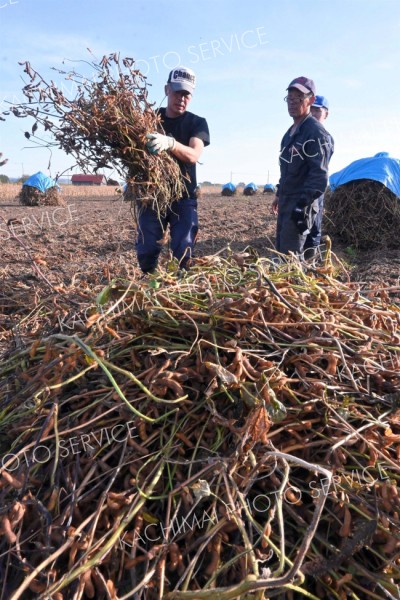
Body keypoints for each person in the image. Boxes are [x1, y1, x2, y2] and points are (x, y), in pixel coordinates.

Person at [136, 66, 210, 273]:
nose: (182, 98)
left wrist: (170, 143)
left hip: (183, 197)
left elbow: (194, 155)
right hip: (153, 197)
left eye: (187, 94)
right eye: (178, 92)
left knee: (183, 250)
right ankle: (149, 283)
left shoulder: (197, 123)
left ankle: (180, 287)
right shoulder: (149, 119)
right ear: (167, 89)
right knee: (147, 248)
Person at [271, 78, 334, 258]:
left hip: (300, 203)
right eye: (289, 98)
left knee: (292, 256)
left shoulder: (316, 133)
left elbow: (319, 176)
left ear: (311, 100)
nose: (292, 103)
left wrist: (302, 205)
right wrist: (279, 193)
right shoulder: (289, 134)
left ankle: (295, 283)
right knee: (282, 250)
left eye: (298, 98)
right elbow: (286, 169)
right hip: (286, 200)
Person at [304, 95, 333, 256]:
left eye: (318, 110)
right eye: (311, 109)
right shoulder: (302, 134)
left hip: (314, 192)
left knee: (313, 227)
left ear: (326, 114)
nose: (314, 113)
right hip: (299, 190)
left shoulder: (323, 137)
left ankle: (310, 262)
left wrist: (309, 196)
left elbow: (319, 172)